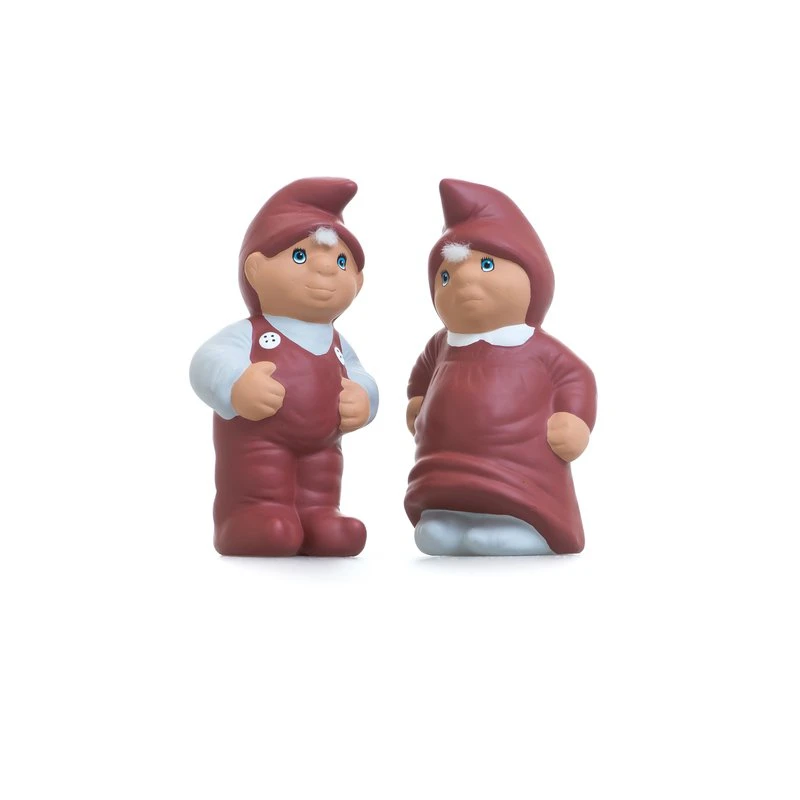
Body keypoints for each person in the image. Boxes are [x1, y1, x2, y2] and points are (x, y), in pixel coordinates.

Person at [405, 179, 596, 556]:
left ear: (533, 277)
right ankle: (450, 518)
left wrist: (574, 420)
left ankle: (525, 525)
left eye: (487, 265)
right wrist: (417, 404)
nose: (464, 282)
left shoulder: (539, 348)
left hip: (520, 471)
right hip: (443, 467)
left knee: (512, 498)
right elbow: (421, 378)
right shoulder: (442, 344)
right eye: (446, 277)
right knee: (438, 517)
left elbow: (577, 378)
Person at [191, 178, 378, 557]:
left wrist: (365, 398)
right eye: (301, 257)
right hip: (258, 442)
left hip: (323, 446)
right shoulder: (249, 334)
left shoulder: (338, 342)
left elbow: (359, 373)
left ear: (357, 282)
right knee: (262, 481)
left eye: (341, 262)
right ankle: (247, 516)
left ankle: (320, 516)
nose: (326, 271)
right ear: (255, 268)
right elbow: (206, 362)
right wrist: (236, 384)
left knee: (321, 484)